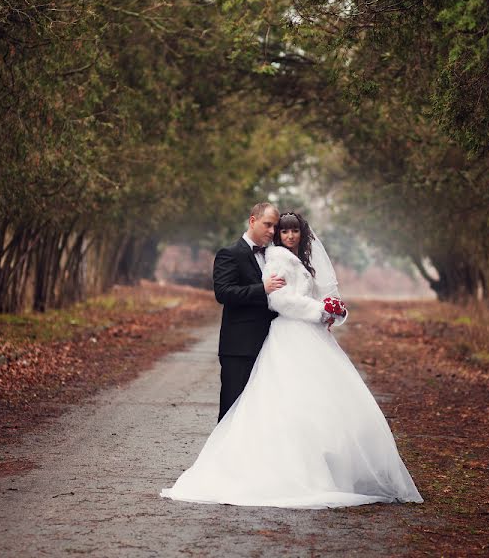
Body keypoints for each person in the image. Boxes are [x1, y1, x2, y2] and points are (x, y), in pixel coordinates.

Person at [161, 211, 424, 509]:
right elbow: (278, 300)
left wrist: (334, 311)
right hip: (282, 334)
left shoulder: (299, 260)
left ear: (301, 233)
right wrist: (317, 311)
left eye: (289, 231)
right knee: (263, 404)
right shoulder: (275, 258)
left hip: (306, 336)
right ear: (255, 222)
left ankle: (325, 468)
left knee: (314, 404)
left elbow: (317, 294)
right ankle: (245, 468)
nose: (284, 235)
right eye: (277, 229)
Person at [211, 202, 285, 422]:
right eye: (268, 225)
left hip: (270, 345)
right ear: (252, 221)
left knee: (261, 413)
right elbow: (223, 293)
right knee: (232, 409)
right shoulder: (229, 254)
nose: (272, 232)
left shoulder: (275, 256)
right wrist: (262, 288)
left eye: (275, 227)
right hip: (239, 348)